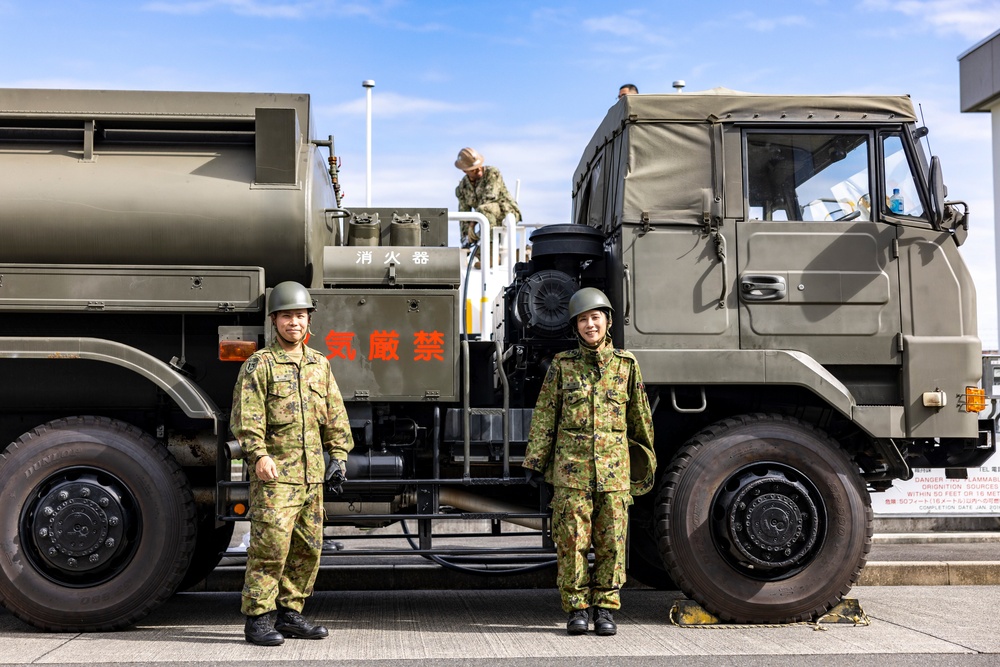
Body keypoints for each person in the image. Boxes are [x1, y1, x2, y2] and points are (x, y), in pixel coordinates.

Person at [521, 287, 655, 637]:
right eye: (583, 319)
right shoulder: (563, 367)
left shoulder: (627, 366)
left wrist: (645, 466)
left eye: (595, 318)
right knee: (572, 543)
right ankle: (577, 609)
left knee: (612, 543)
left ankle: (606, 609)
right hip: (571, 473)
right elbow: (546, 415)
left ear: (607, 322)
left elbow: (640, 420)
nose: (590, 325)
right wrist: (535, 462)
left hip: (614, 474)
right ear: (576, 326)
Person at [232, 280, 353, 646]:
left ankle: (290, 614)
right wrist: (259, 455)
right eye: (287, 316)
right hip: (276, 475)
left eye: (299, 316)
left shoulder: (319, 364)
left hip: (311, 477)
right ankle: (258, 618)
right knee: (270, 548)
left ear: (308, 320)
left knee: (307, 548)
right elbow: (246, 417)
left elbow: (335, 416)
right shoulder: (260, 365)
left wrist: (339, 456)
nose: (294, 323)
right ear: (274, 321)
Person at [454, 147, 522, 248]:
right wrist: (466, 237)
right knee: (481, 216)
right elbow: (464, 214)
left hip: (505, 211)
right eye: (474, 170)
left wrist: (473, 223)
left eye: (479, 166)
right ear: (465, 171)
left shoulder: (492, 173)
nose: (478, 170)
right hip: (485, 218)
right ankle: (482, 251)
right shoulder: (462, 188)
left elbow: (489, 198)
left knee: (483, 210)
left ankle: (490, 250)